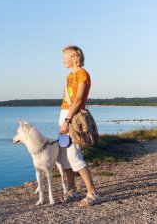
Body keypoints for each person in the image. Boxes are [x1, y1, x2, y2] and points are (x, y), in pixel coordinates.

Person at [58, 45, 102, 206]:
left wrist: (67, 121)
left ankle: (93, 193)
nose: (63, 61)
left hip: (73, 117)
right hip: (64, 114)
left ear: (74, 58)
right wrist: (63, 119)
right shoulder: (69, 76)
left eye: (65, 57)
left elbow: (77, 101)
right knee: (64, 157)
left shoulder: (83, 75)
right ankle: (72, 191)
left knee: (74, 156)